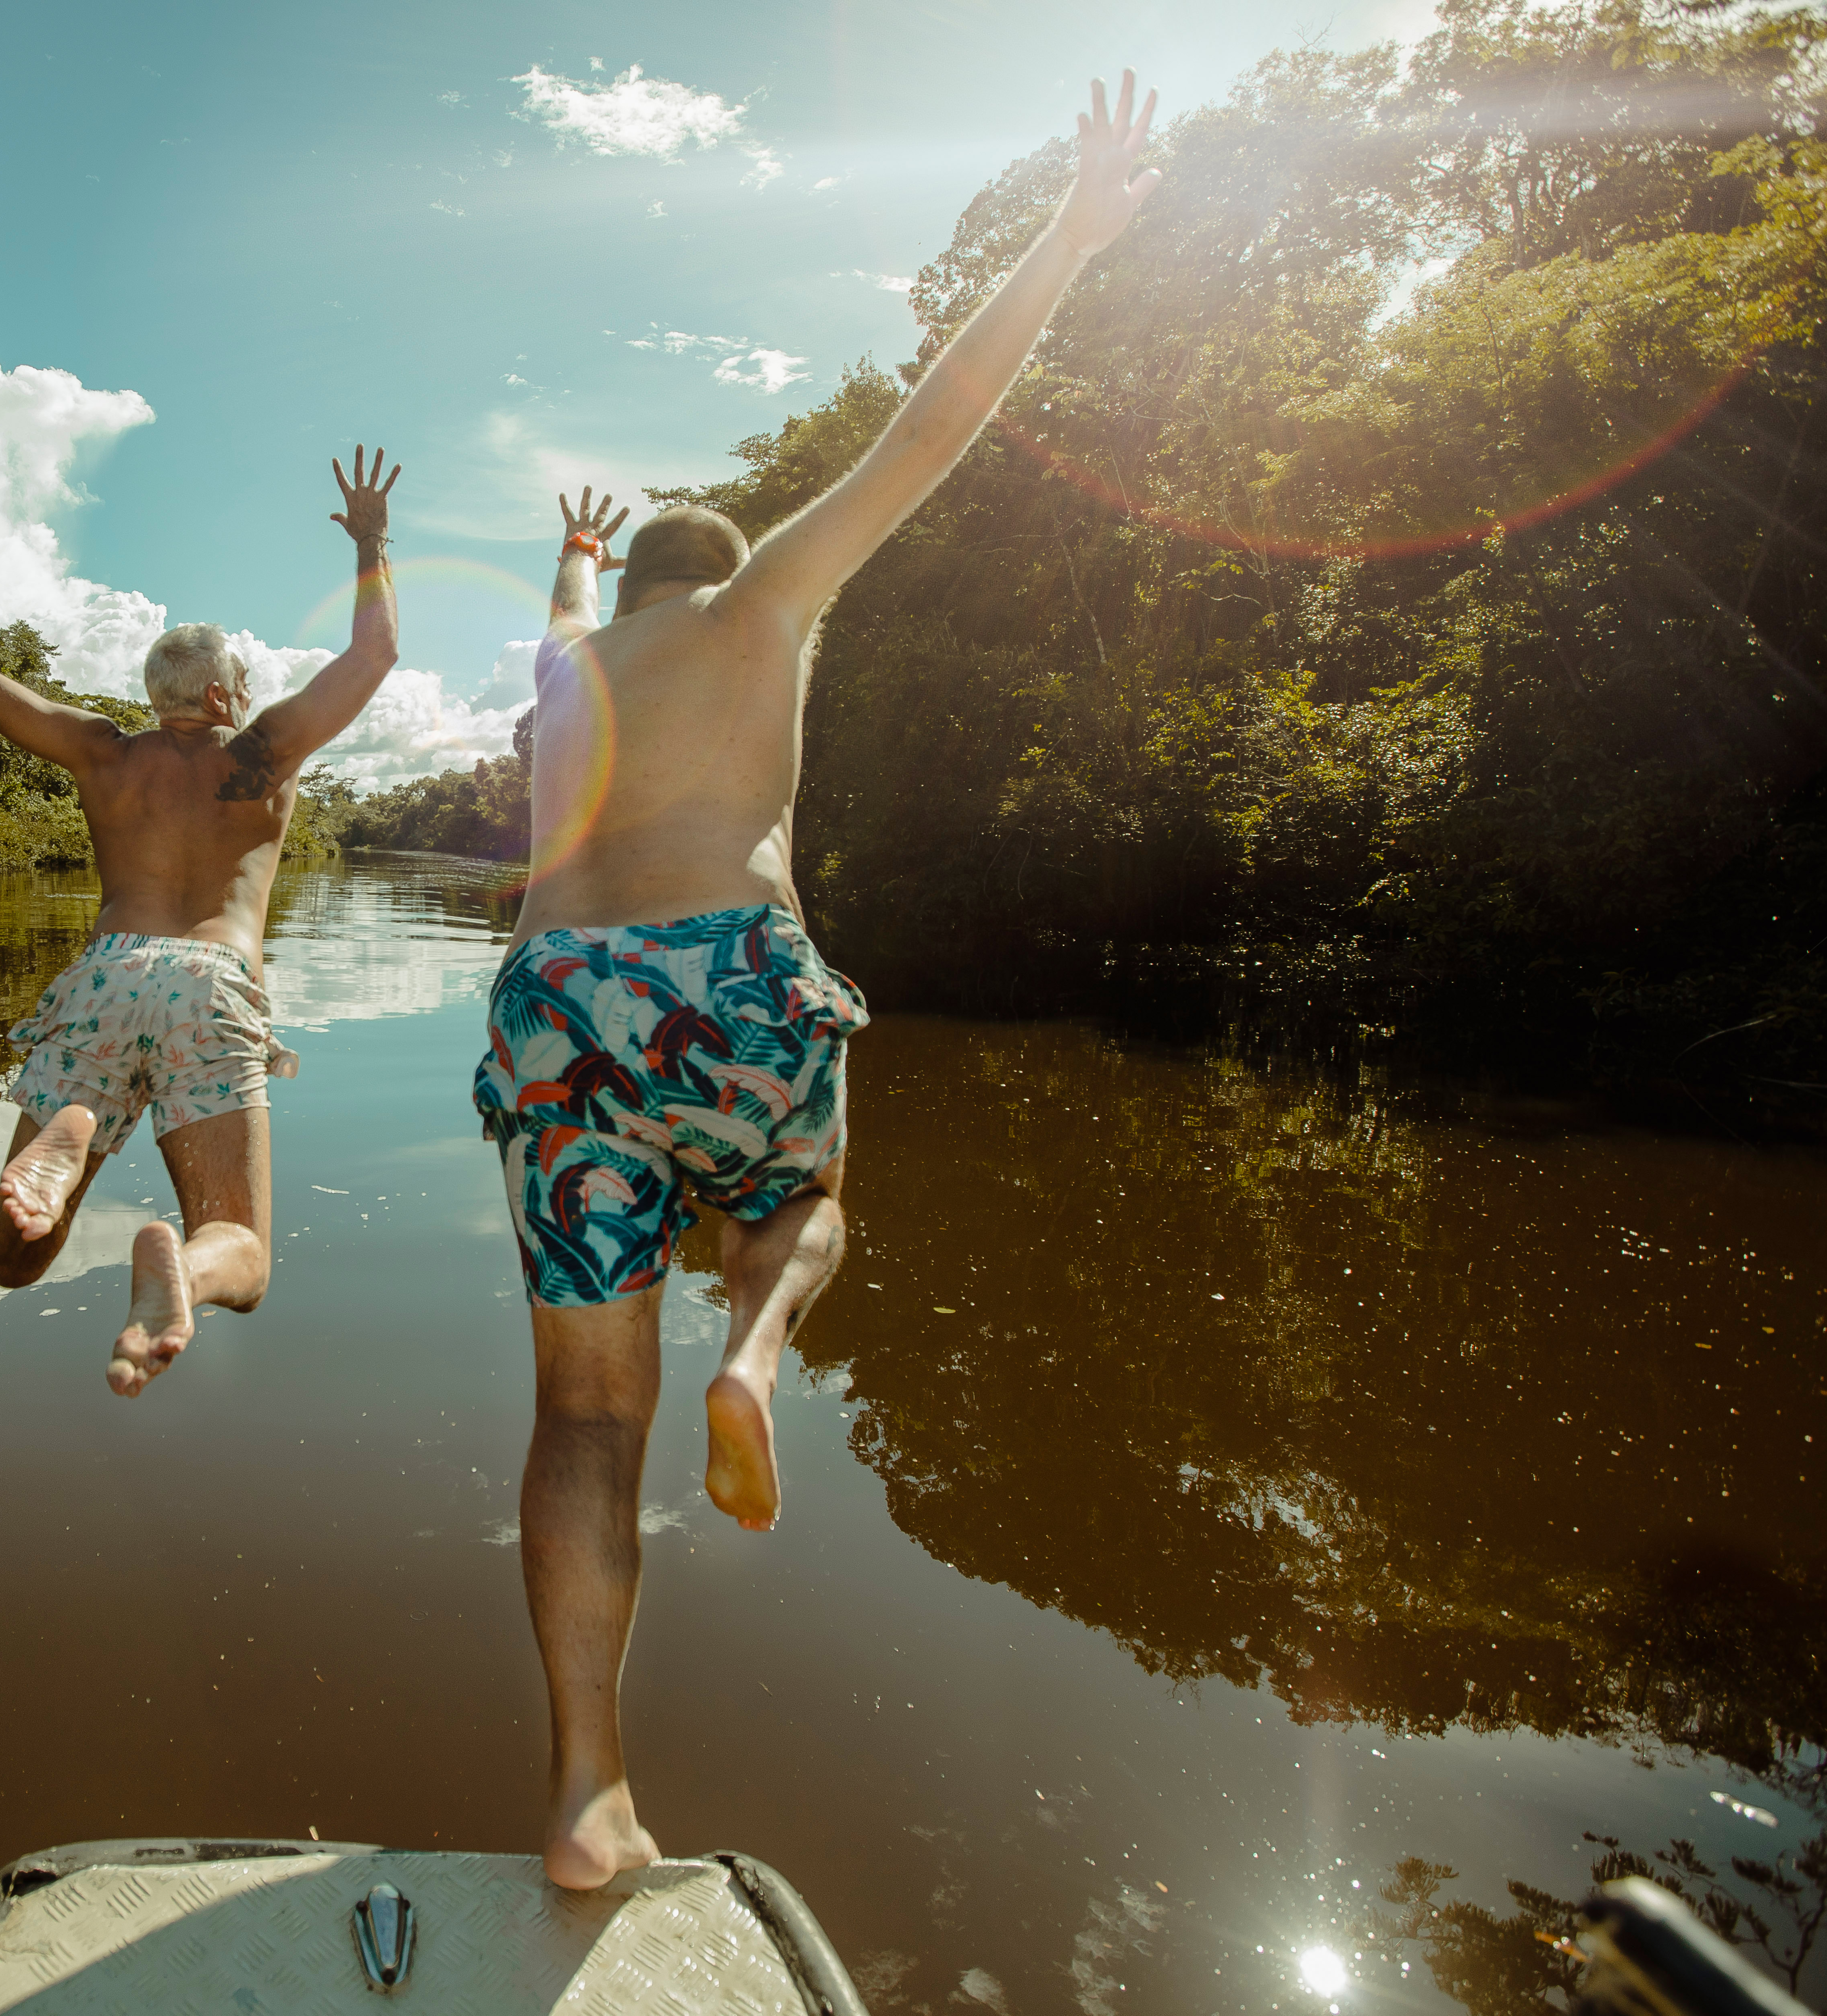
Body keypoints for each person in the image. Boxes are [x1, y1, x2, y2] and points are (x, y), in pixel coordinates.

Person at [476, 77, 1162, 1887]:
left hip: (555, 1000)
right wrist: (1077, 232)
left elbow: (563, 605)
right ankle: (759, 1347)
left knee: (575, 1419)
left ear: (618, 579)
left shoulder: (561, 679)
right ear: (729, 575)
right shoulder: (759, 603)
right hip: (727, 965)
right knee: (802, 1199)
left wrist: (572, 547)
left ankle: (585, 1795)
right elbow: (931, 430)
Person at [0, 447, 403, 1396]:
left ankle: (78, 1120)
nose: (245, 698)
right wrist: (370, 541)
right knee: (240, 1245)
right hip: (211, 979)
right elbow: (374, 657)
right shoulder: (264, 753)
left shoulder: (102, 754)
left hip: (105, 975)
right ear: (221, 696)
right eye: (240, 685)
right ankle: (188, 1272)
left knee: (12, 1260)